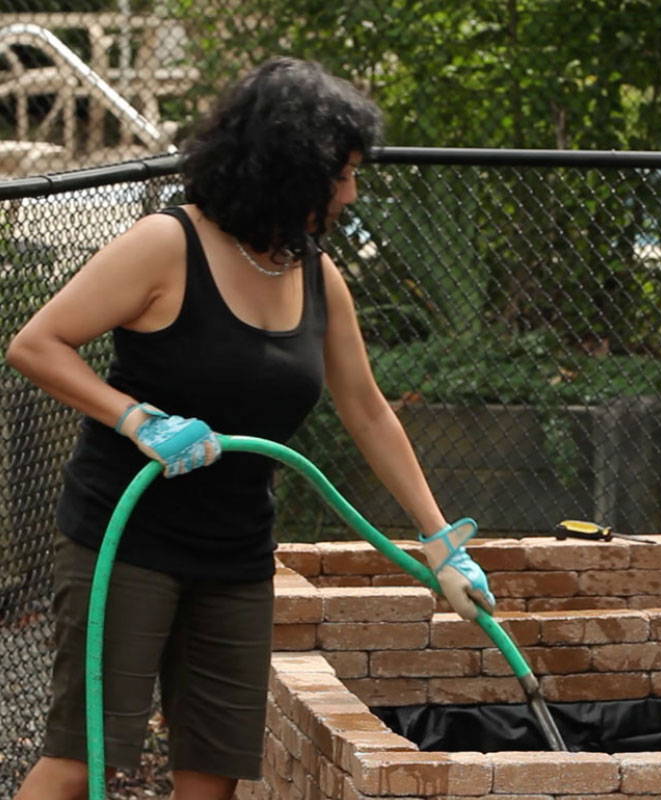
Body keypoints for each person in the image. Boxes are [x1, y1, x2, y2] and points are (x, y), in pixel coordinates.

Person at [6, 57, 495, 800]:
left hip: (236, 555)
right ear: (289, 167)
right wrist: (136, 419)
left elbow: (365, 407)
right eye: (344, 174)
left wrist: (440, 543)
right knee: (83, 760)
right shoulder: (167, 245)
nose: (352, 194)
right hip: (127, 539)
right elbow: (35, 344)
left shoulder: (316, 276)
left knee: (212, 775)